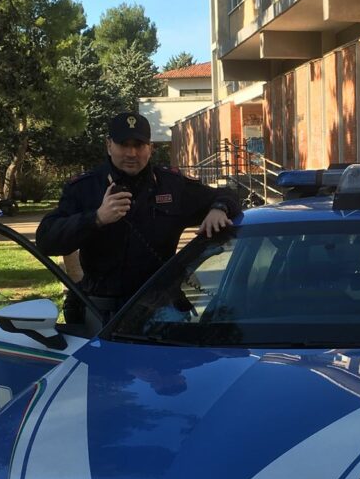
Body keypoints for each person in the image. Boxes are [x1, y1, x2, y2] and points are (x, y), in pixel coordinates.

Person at [36, 112, 240, 327]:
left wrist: (219, 208)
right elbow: (46, 239)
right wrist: (96, 218)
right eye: (123, 144)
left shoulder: (171, 185)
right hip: (102, 312)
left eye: (139, 145)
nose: (131, 153)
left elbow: (228, 194)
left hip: (159, 312)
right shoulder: (85, 188)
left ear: (150, 148)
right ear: (109, 146)